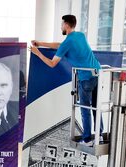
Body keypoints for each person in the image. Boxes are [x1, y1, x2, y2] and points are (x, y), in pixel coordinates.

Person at [30, 14, 102, 146]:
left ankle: (87, 139)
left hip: (85, 78)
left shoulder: (68, 42)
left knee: (85, 109)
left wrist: (37, 52)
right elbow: (60, 45)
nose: (61, 26)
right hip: (98, 74)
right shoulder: (80, 35)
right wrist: (40, 43)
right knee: (97, 107)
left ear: (67, 25)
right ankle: (100, 135)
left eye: (62, 24)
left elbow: (52, 63)